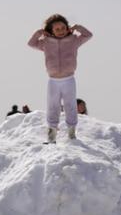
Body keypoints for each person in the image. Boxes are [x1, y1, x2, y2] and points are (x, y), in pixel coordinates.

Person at [28, 14, 92, 143]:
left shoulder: (73, 40)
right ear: (50, 30)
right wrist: (39, 33)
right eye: (57, 29)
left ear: (67, 27)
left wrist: (78, 27)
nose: (61, 31)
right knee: (53, 106)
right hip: (53, 81)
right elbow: (31, 43)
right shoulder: (46, 42)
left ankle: (71, 132)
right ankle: (52, 134)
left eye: (63, 27)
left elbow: (88, 35)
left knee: (70, 105)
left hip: (69, 79)